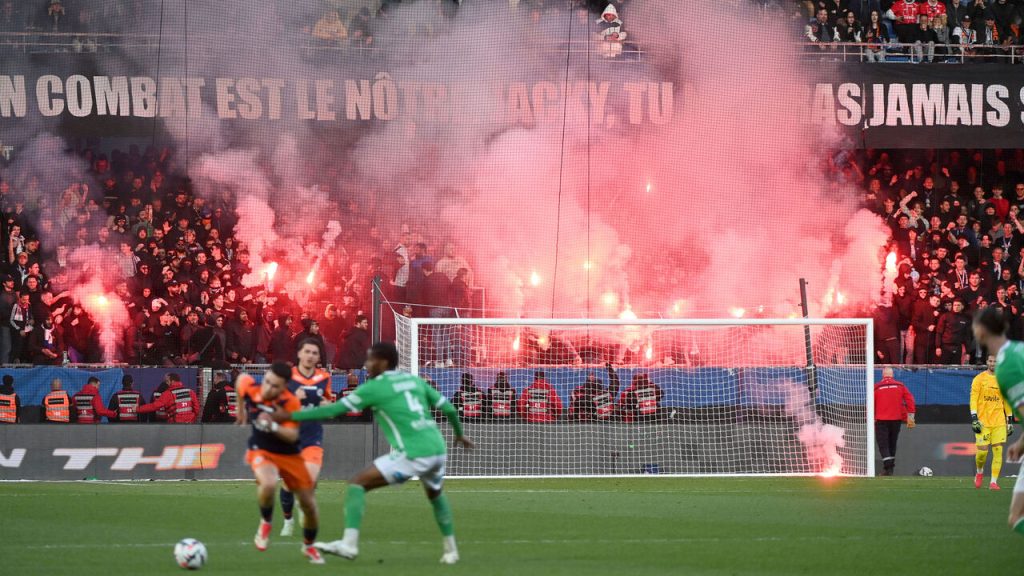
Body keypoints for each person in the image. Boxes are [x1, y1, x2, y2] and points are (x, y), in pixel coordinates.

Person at [271, 342, 472, 564]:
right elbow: (449, 408)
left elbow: (335, 409)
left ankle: (348, 544)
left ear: (383, 362)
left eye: (370, 360)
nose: (366, 365)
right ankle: (451, 550)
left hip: (413, 452)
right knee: (435, 495)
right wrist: (460, 435)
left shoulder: (374, 387)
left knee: (357, 484)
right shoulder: (414, 380)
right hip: (437, 448)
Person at [234, 362, 324, 564]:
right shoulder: (253, 389)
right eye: (267, 382)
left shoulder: (290, 403)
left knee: (309, 506)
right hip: (263, 450)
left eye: (275, 386)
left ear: (284, 388)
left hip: (290, 455)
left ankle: (308, 546)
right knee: (268, 483)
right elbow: (240, 380)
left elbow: (292, 436)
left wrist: (272, 425)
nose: (268, 388)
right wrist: (241, 410)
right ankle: (266, 523)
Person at [971, 306, 1024, 533]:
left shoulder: (1006, 367)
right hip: (988, 423)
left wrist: (1021, 443)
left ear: (981, 331)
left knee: (1016, 517)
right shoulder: (1018, 349)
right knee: (1016, 517)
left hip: (1000, 424)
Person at [280, 339, 334, 538]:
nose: (311, 355)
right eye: (308, 352)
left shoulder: (323, 377)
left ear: (319, 357)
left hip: (312, 437)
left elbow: (328, 405)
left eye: (315, 353)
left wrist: (327, 406)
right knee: (288, 484)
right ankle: (288, 520)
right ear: (300, 354)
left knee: (309, 479)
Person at [971, 354, 1014, 490]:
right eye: (990, 361)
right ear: (987, 362)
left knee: (998, 451)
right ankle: (979, 472)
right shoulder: (979, 379)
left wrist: (1010, 420)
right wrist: (974, 418)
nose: (993, 363)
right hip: (983, 421)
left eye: (995, 361)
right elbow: (973, 399)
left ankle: (993, 482)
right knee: (982, 453)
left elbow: (1006, 401)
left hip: (999, 421)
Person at [873, 367, 916, 476]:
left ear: (882, 375)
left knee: (883, 445)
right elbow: (910, 401)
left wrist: (872, 418)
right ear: (892, 375)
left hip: (881, 420)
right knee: (892, 444)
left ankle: (888, 467)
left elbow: (871, 404)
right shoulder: (900, 386)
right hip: (896, 420)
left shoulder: (876, 388)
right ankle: (889, 470)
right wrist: (910, 419)